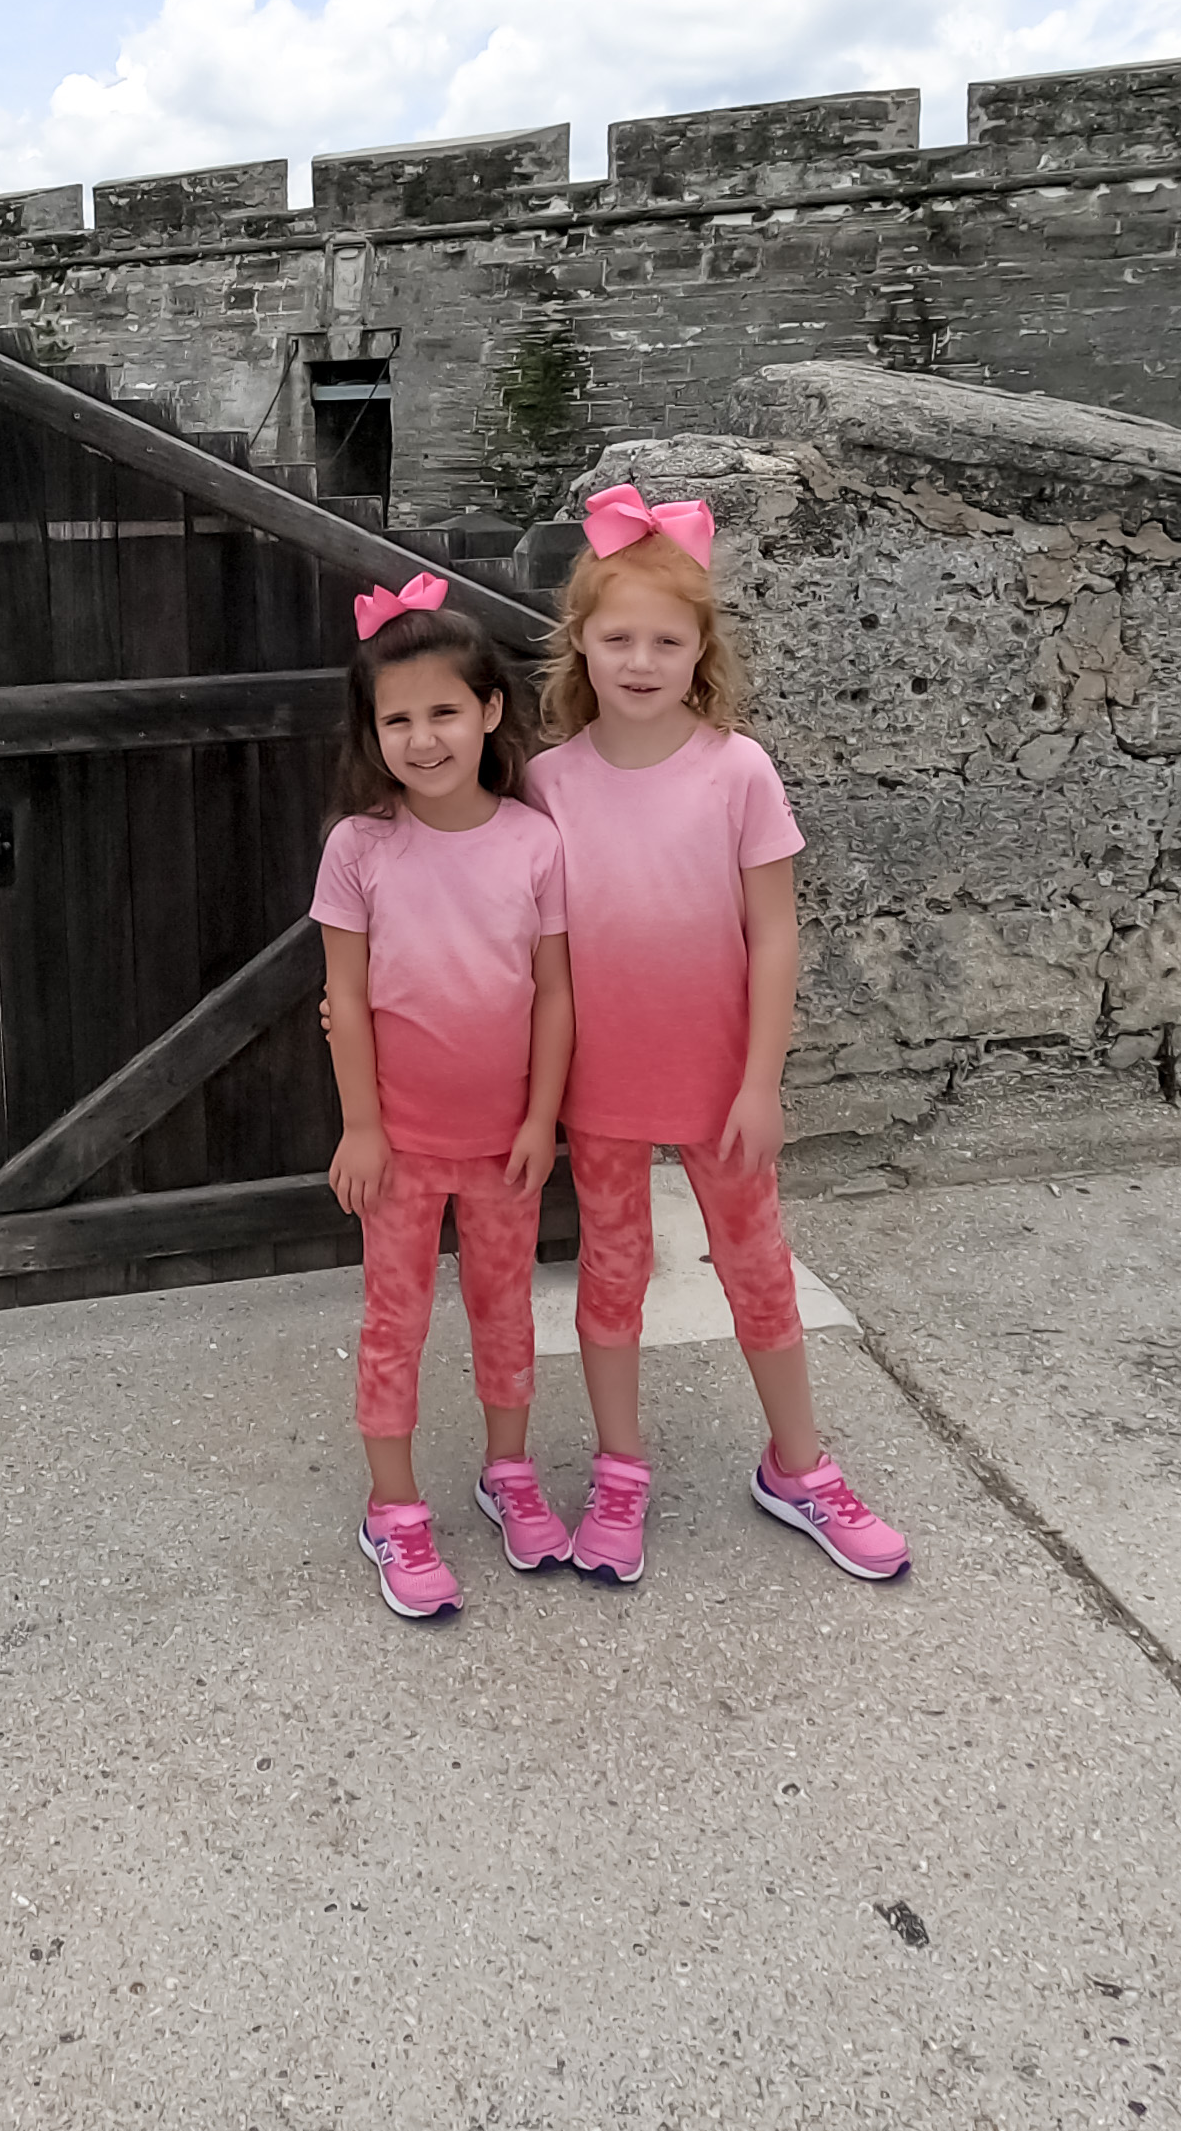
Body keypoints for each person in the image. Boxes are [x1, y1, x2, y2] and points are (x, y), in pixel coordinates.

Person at [520, 484, 909, 1590]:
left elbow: (774, 935)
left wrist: (760, 1081)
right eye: (617, 638)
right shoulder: (548, 784)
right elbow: (523, 943)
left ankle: (798, 1467)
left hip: (716, 1082)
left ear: (700, 651)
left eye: (665, 640)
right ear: (581, 646)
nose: (639, 660)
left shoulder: (737, 770)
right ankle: (620, 1472)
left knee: (756, 1269)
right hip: (598, 1088)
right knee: (610, 1275)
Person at [312, 574, 576, 1623]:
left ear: (490, 713)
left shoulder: (533, 841)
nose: (422, 739)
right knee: (397, 1322)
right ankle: (393, 1506)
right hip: (402, 1149)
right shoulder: (358, 849)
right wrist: (363, 1128)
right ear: (371, 733)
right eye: (397, 719)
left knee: (507, 1313)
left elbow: (554, 991)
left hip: (504, 1144)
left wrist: (542, 1116)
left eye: (443, 712)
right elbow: (343, 990)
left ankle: (508, 1473)